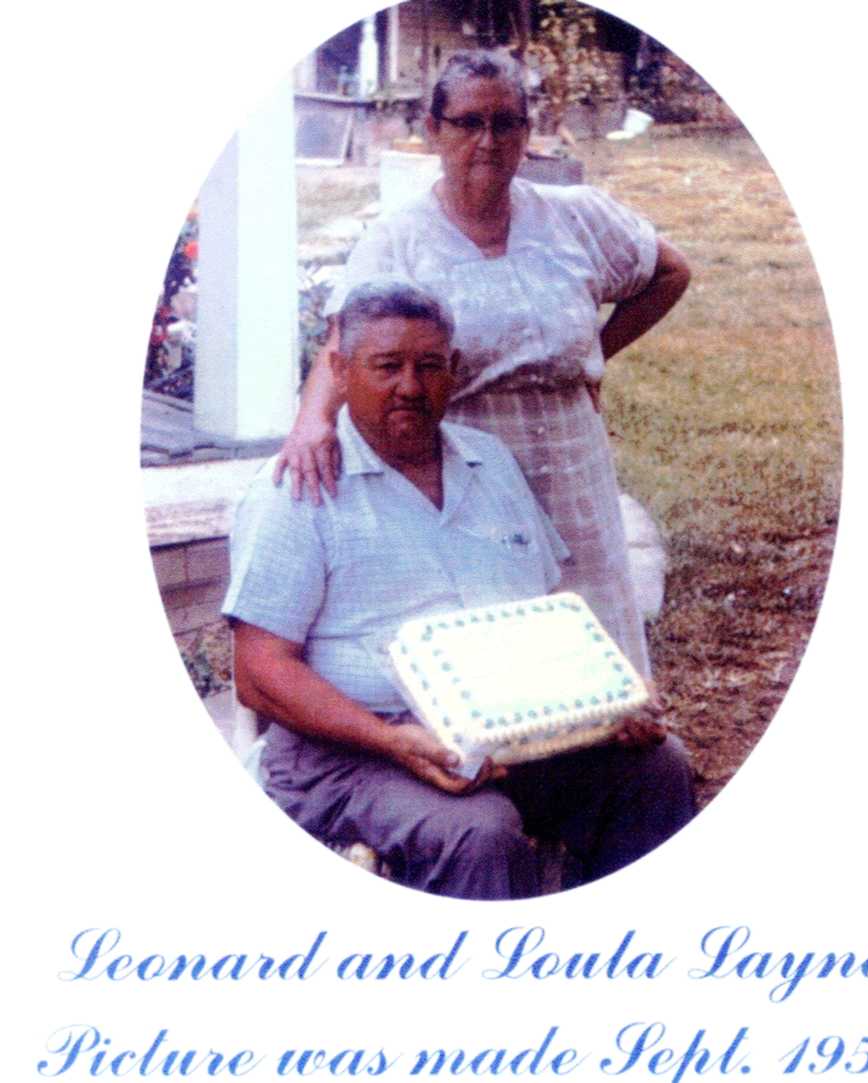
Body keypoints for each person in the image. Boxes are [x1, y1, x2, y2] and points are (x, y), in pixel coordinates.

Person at [226, 278, 695, 900]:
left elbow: (544, 620)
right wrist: (392, 741)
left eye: (429, 366)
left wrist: (607, 702)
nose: (410, 386)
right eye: (386, 366)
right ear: (339, 370)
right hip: (350, 752)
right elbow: (258, 673)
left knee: (655, 769)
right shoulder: (296, 489)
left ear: (455, 370)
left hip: (502, 734)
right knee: (477, 829)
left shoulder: (489, 462)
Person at [275, 49, 691, 680]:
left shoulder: (574, 215)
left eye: (505, 123)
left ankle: (602, 732)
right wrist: (312, 422)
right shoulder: (399, 240)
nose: (488, 141)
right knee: (498, 639)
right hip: (470, 465)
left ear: (528, 130)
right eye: (468, 123)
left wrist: (591, 355)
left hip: (574, 460)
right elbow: (346, 340)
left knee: (592, 632)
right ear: (434, 129)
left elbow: (670, 272)